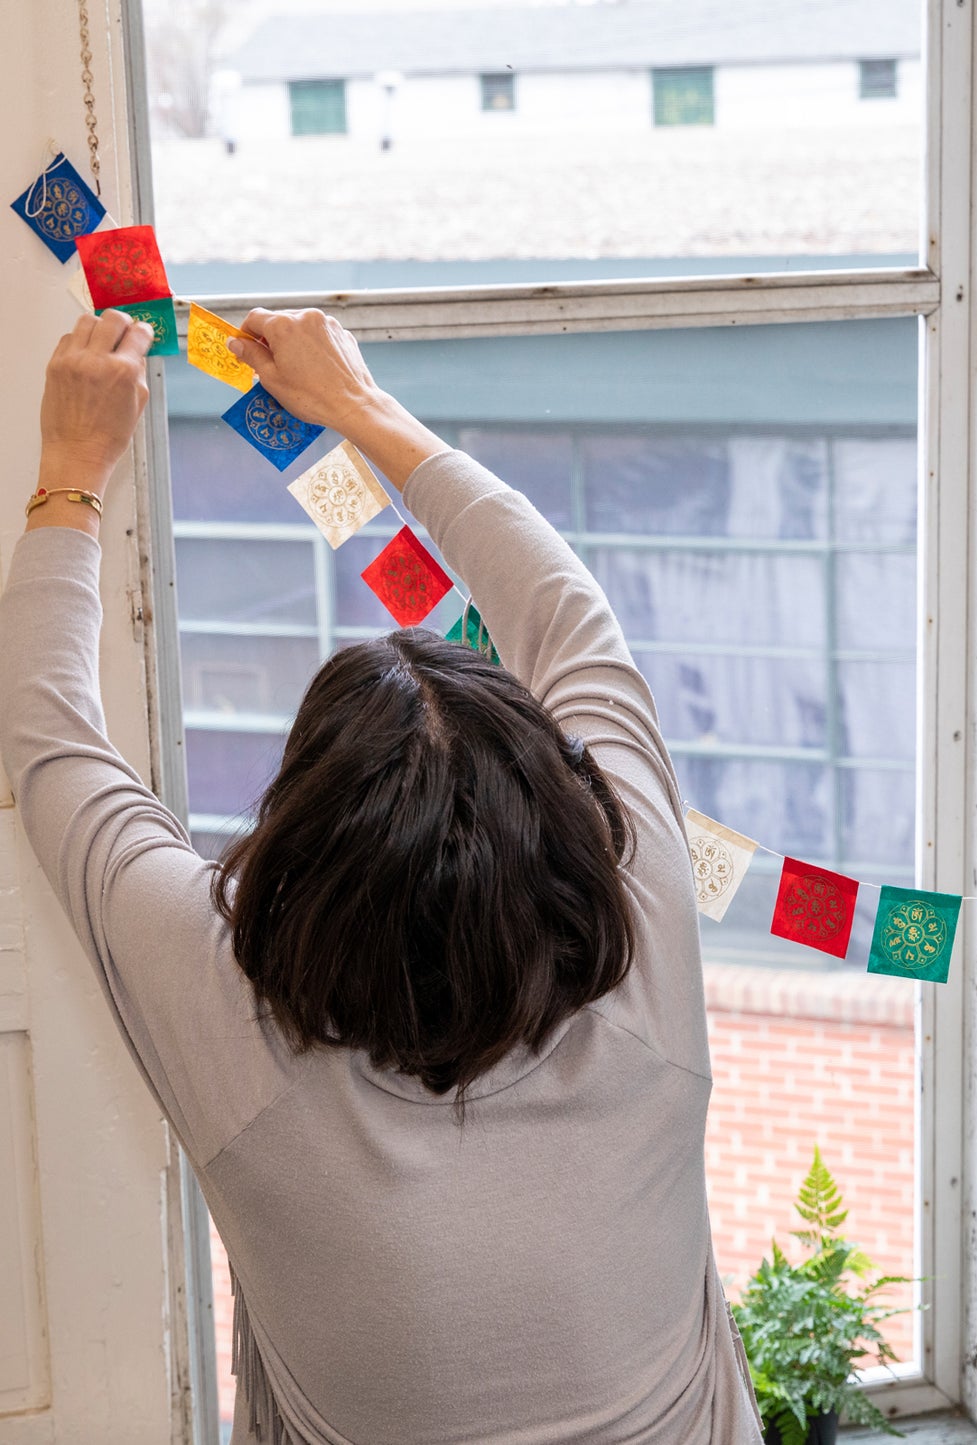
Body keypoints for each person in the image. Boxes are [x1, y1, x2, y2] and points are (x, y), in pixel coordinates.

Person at [0, 306, 764, 1444]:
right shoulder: (642, 915)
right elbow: (569, 618)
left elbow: (51, 742)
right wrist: (364, 409)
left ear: (296, 857)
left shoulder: (230, 1016)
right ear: (570, 817)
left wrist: (69, 468)